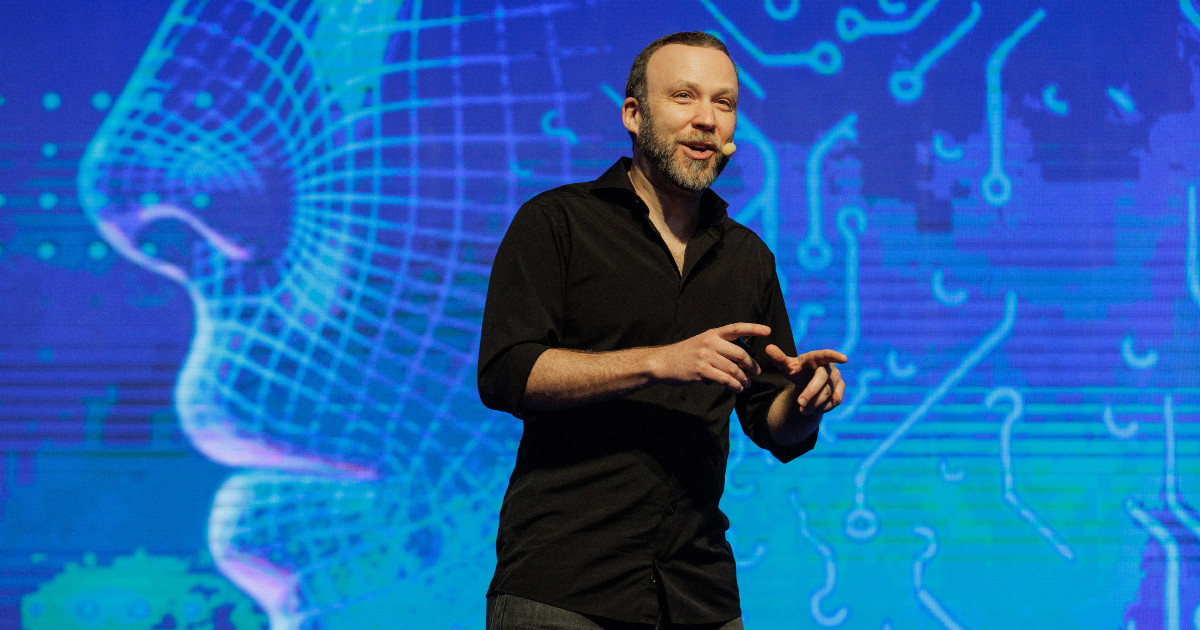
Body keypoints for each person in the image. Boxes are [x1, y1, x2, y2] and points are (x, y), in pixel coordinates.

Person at [477, 31, 848, 630]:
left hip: (697, 589)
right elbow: (507, 372)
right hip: (564, 586)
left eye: (723, 104)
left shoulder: (746, 257)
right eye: (683, 97)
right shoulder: (557, 223)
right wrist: (656, 361)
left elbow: (768, 423)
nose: (705, 119)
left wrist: (805, 402)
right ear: (633, 114)